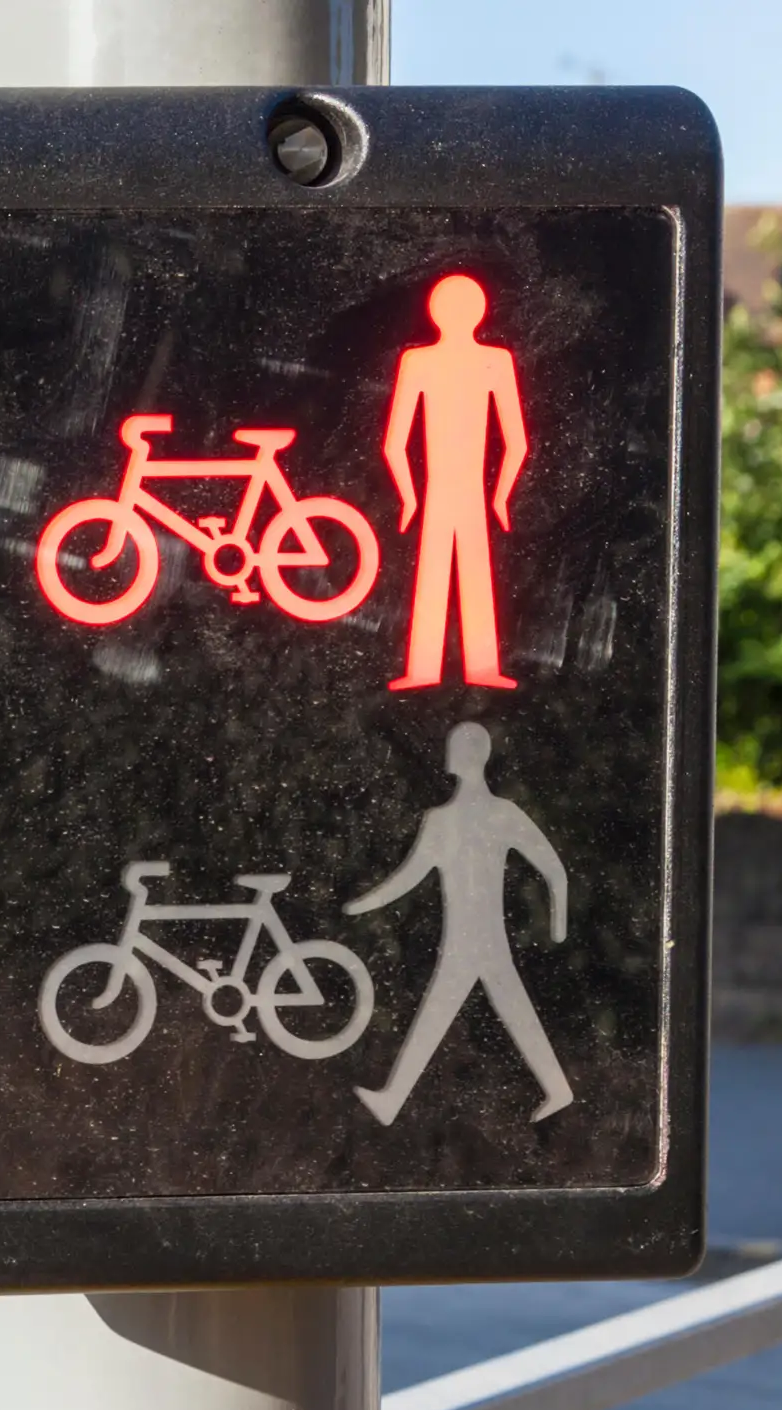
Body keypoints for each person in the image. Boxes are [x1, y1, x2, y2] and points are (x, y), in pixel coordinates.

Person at [344, 721, 572, 1126]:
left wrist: (559, 926)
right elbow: (409, 877)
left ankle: (393, 1099)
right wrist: (366, 904)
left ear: (468, 757)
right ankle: (556, 1089)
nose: (449, 756)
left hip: (474, 941)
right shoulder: (448, 819)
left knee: (453, 1013)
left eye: (455, 748)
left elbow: (553, 869)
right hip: (469, 941)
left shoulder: (492, 816)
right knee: (490, 1010)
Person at [381, 273, 528, 694]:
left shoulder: (421, 362)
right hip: (467, 489)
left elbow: (395, 444)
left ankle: (429, 668)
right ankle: (477, 667)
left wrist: (409, 495)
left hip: (439, 489)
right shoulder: (493, 361)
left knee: (433, 574)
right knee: (472, 573)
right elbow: (516, 443)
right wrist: (500, 494)